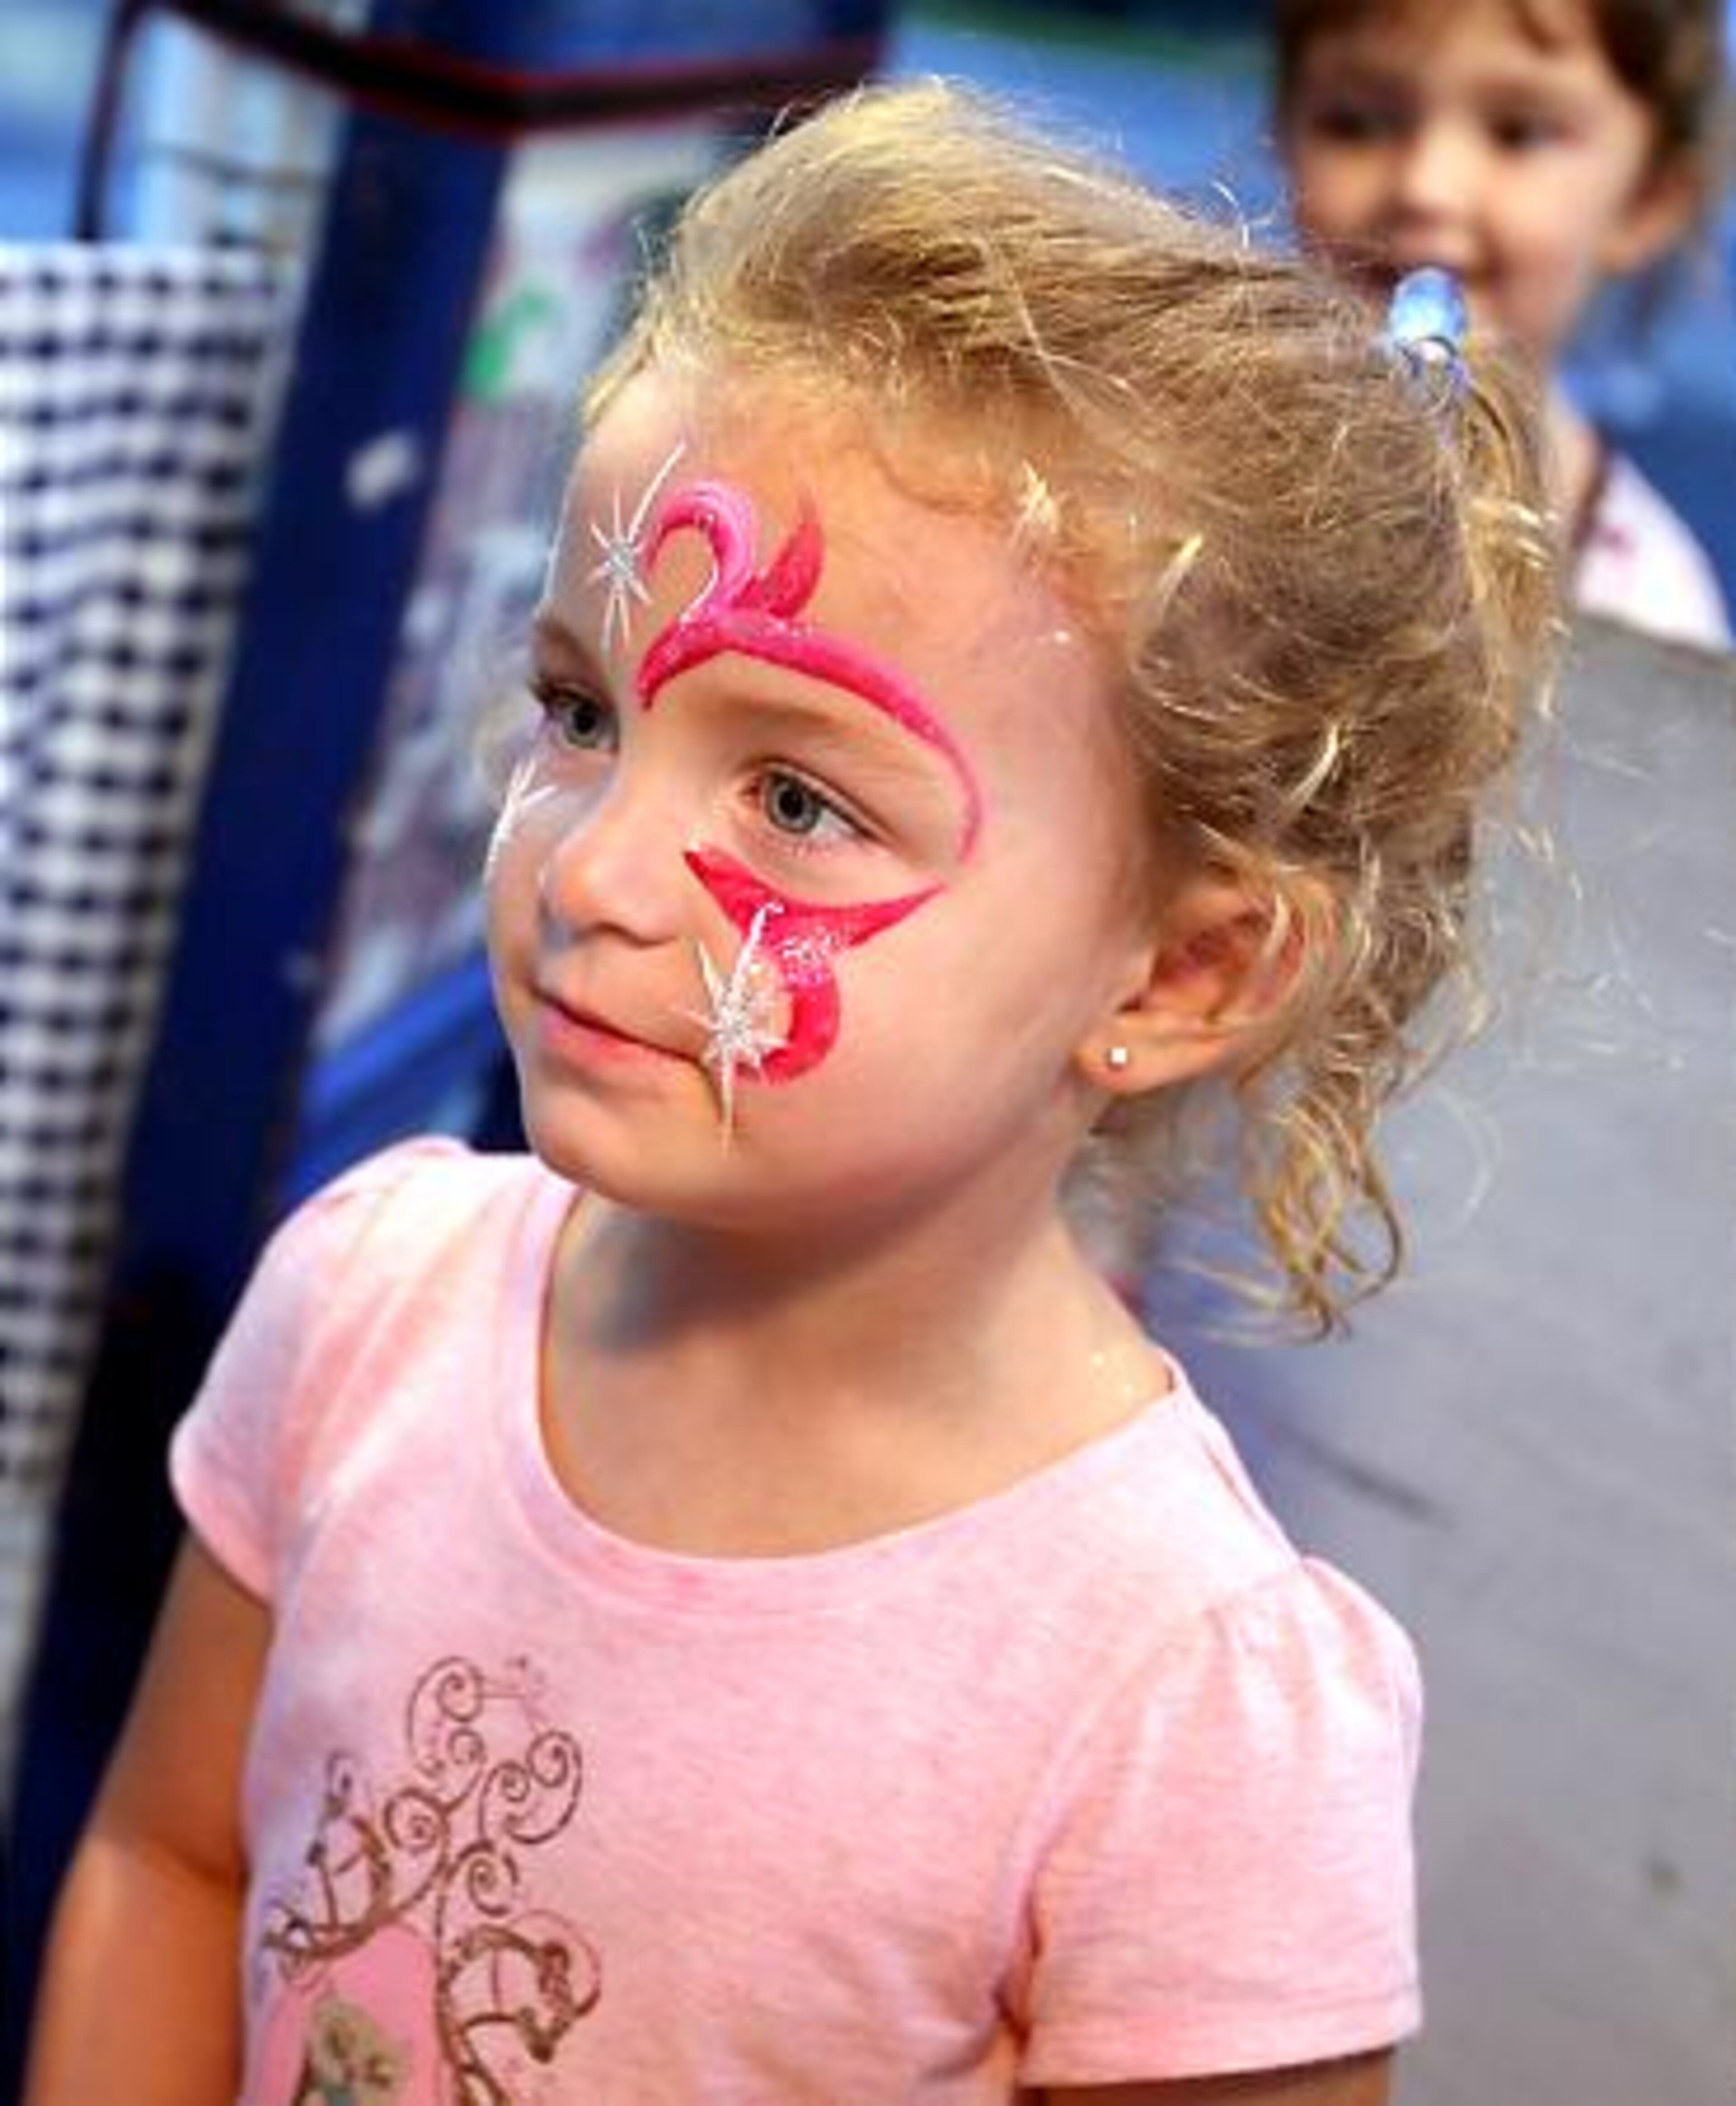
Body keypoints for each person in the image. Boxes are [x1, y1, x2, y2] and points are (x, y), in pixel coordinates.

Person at [25, 80, 1559, 2105]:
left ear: (1186, 969)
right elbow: (174, 1853)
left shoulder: (1179, 1707)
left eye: (799, 797)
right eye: (581, 709)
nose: (587, 868)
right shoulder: (369, 1305)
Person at [1275, 0, 1733, 652]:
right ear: (1283, 136)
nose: (1426, 185)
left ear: (1648, 200)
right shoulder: (1171, 465)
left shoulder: (1650, 604)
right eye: (1355, 123)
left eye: (1519, 132)